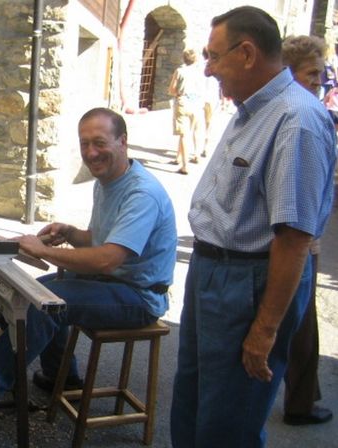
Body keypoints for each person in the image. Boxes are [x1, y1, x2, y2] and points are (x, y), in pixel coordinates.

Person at [171, 7, 336, 448]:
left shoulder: (296, 120)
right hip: (215, 273)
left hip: (248, 281)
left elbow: (294, 238)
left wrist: (263, 331)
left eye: (214, 56)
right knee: (191, 410)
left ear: (246, 53)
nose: (207, 69)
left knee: (227, 426)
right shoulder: (251, 109)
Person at [0, 107, 177, 417]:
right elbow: (100, 239)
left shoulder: (141, 194)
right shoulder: (108, 181)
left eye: (99, 142)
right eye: (84, 144)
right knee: (30, 293)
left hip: (140, 295)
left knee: (45, 305)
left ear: (123, 141)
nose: (91, 152)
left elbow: (108, 259)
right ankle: (63, 378)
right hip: (116, 282)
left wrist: (43, 251)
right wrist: (68, 232)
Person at [280, 34, 333, 426]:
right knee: (300, 326)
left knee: (300, 323)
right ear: (291, 73)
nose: (318, 80)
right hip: (298, 241)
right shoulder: (302, 115)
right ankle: (299, 404)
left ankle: (303, 396)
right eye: (312, 73)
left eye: (321, 73)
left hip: (300, 238)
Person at [168, 48, 203, 175]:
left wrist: (177, 93)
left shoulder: (180, 71)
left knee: (183, 134)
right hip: (197, 103)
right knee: (195, 130)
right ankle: (194, 155)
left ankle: (185, 165)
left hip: (183, 102)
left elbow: (172, 89)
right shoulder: (200, 72)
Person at [200, 47, 221, 159]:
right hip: (212, 98)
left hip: (201, 98)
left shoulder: (199, 65)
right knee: (209, 124)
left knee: (198, 125)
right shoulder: (217, 65)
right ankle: (205, 147)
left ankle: (196, 149)